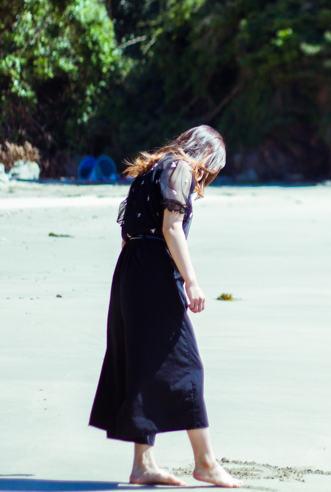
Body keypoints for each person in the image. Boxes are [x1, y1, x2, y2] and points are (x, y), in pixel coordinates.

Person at [89, 125, 242, 487]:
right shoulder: (181, 169)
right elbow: (172, 227)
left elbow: (126, 233)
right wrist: (191, 281)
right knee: (187, 365)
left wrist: (134, 280)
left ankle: (143, 465)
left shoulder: (148, 172)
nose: (206, 177)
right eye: (211, 168)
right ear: (203, 155)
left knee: (144, 365)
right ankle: (205, 462)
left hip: (130, 269)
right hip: (154, 269)